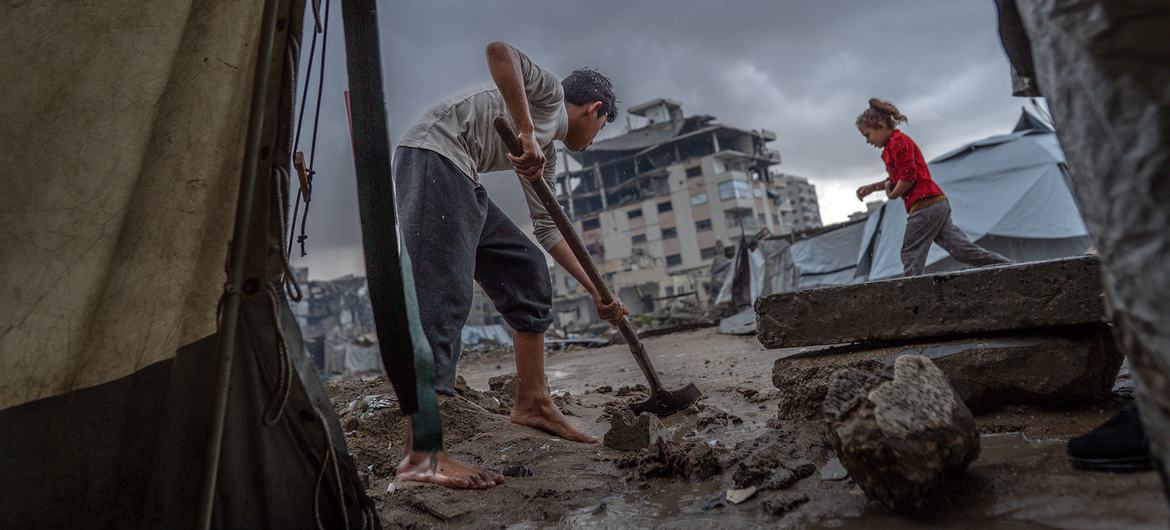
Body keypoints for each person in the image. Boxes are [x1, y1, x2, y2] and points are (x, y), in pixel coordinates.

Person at [391, 42, 628, 489]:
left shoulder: (548, 157)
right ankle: (421, 456)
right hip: (430, 157)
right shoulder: (549, 97)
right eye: (599, 130)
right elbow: (500, 52)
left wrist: (601, 292)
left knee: (526, 270)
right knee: (443, 296)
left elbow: (550, 231)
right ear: (594, 110)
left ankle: (534, 403)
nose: (592, 141)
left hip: (463, 175)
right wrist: (525, 132)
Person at [854, 98, 1011, 277]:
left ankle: (913, 291)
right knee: (961, 249)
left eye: (867, 135)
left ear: (881, 126)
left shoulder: (899, 142)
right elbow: (895, 179)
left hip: (925, 206)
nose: (867, 141)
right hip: (936, 204)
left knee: (911, 251)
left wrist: (892, 194)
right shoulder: (891, 147)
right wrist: (873, 188)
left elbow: (908, 178)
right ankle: (1007, 267)